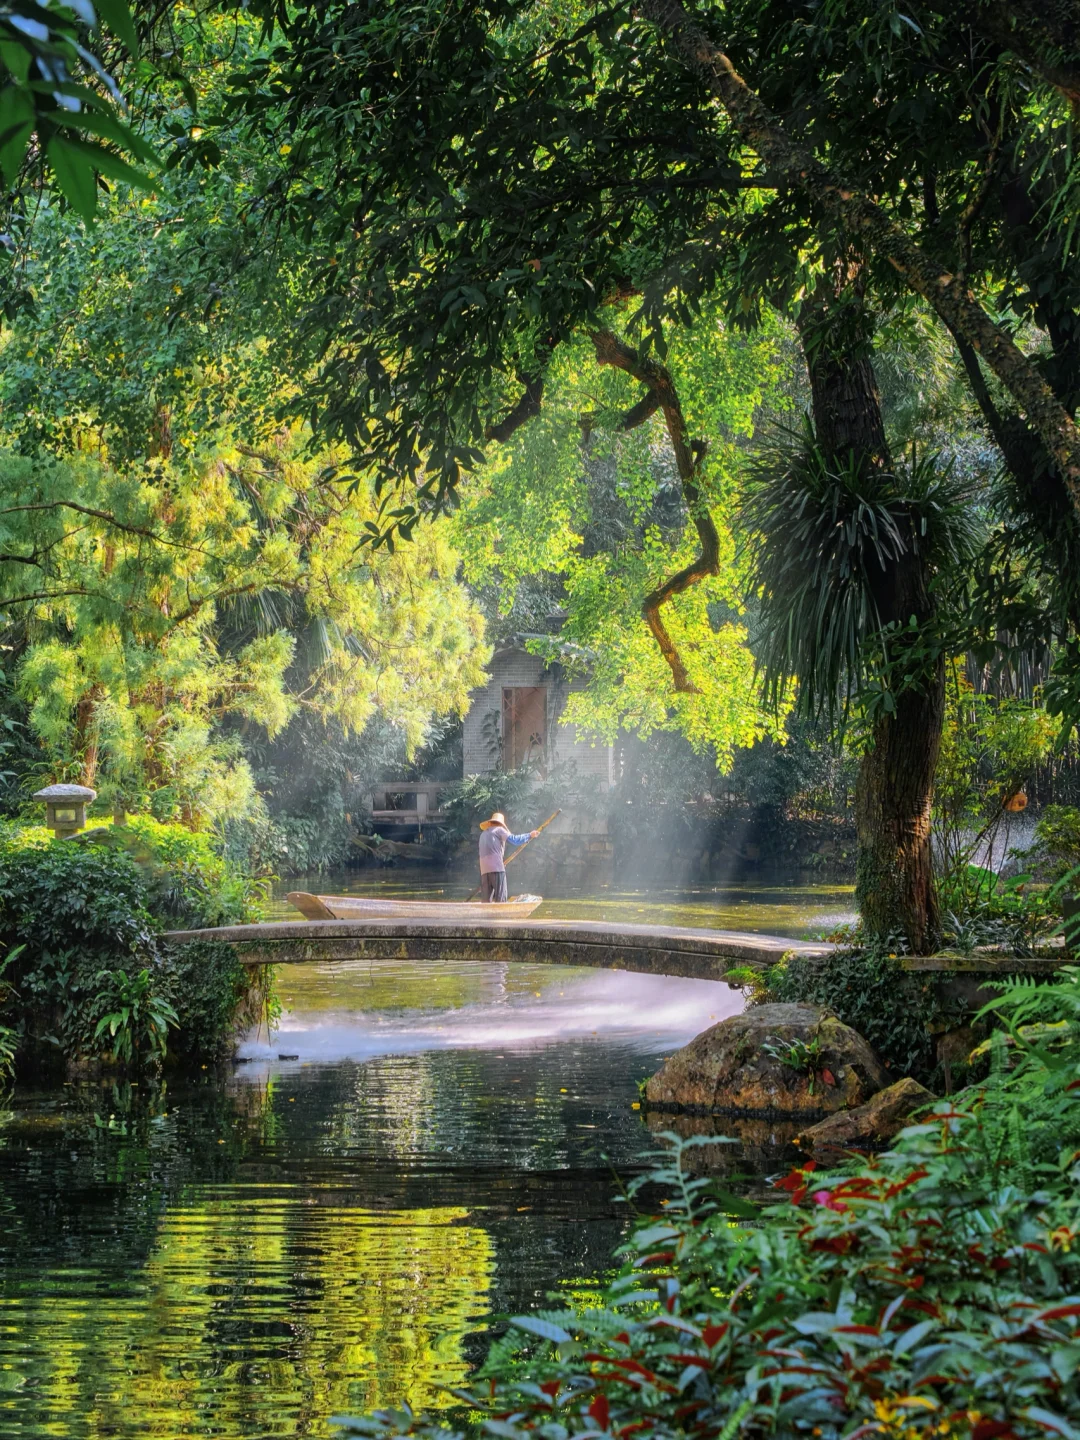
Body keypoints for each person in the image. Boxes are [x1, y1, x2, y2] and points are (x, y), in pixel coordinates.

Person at [477, 811, 539, 902]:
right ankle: (501, 913)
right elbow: (515, 840)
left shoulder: (483, 834)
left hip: (484, 870)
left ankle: (487, 913)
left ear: (490, 822)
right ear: (501, 824)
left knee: (486, 900)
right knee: (501, 897)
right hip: (496, 868)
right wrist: (530, 835)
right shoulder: (499, 830)